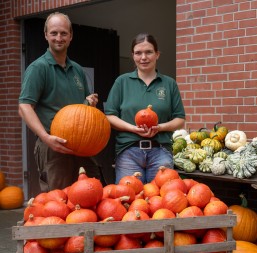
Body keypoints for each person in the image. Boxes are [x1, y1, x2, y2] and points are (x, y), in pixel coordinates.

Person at [18, 12, 101, 192]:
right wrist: (47, 138)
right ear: (45, 35)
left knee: (91, 197)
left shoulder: (77, 69)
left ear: (71, 36)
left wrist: (90, 102)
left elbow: (83, 108)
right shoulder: (38, 68)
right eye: (54, 33)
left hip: (82, 146)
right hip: (53, 145)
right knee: (58, 200)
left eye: (63, 33)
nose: (59, 37)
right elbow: (24, 107)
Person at [104, 33, 185, 184]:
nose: (143, 57)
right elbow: (110, 116)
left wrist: (160, 127)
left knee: (161, 202)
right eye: (138, 53)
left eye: (148, 52)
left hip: (160, 151)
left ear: (157, 54)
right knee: (128, 199)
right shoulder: (122, 82)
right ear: (133, 55)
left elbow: (180, 119)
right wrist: (132, 128)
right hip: (128, 152)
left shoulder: (169, 84)